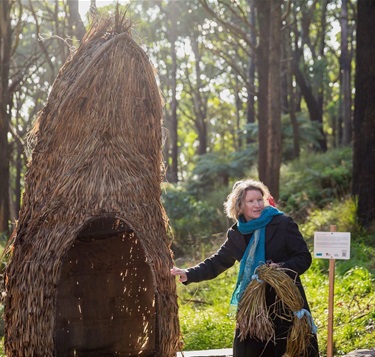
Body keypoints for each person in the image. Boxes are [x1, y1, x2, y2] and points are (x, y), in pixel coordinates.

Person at [171, 178, 319, 357]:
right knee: (248, 350)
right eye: (251, 201)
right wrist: (188, 273)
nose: (257, 205)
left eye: (259, 199)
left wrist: (279, 270)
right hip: (254, 307)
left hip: (285, 304)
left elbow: (304, 258)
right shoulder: (237, 234)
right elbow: (217, 261)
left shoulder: (282, 224)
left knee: (289, 350)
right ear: (239, 205)